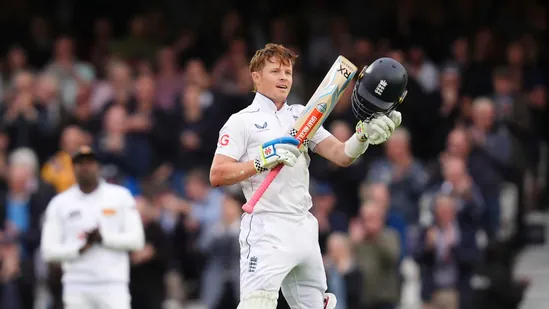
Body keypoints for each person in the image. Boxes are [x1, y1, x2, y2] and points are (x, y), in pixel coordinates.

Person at [209, 43, 406, 309]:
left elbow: (341, 155)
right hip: (267, 229)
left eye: (288, 72)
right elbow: (218, 174)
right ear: (255, 76)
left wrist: (363, 136)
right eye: (275, 71)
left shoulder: (302, 114)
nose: (283, 77)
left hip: (303, 227)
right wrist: (260, 161)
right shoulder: (241, 121)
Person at [40, 145, 145, 309]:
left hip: (113, 284)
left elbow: (137, 240)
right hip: (76, 284)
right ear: (73, 168)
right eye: (80, 163)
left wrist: (103, 239)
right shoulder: (60, 203)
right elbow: (48, 251)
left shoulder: (120, 196)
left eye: (90, 162)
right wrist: (79, 249)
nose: (85, 168)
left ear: (98, 166)